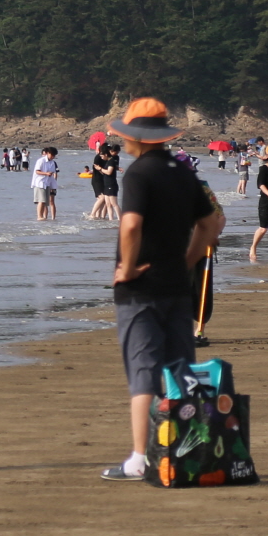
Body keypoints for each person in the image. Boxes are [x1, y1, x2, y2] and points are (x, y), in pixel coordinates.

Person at [98, 99, 224, 482]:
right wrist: (186, 262)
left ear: (136, 136)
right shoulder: (183, 173)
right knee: (179, 370)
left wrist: (129, 267)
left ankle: (140, 459)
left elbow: (131, 224)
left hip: (142, 289)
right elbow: (211, 225)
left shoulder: (139, 174)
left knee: (143, 373)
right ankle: (184, 452)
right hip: (176, 286)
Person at [89, 142, 120, 220]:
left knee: (107, 202)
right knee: (102, 198)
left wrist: (117, 168)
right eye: (110, 150)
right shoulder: (99, 157)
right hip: (98, 179)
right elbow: (96, 167)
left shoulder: (113, 159)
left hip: (107, 180)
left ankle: (101, 217)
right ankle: (92, 215)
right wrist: (101, 170)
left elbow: (111, 169)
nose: (112, 152)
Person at [32, 147, 61, 220]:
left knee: (45, 202)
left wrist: (53, 186)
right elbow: (37, 171)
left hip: (48, 183)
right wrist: (46, 173)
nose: (53, 157)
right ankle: (39, 216)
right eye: (52, 155)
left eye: (54, 155)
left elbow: (53, 174)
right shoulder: (41, 161)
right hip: (40, 182)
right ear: (48, 153)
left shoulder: (52, 162)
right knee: (41, 200)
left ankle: (43, 217)